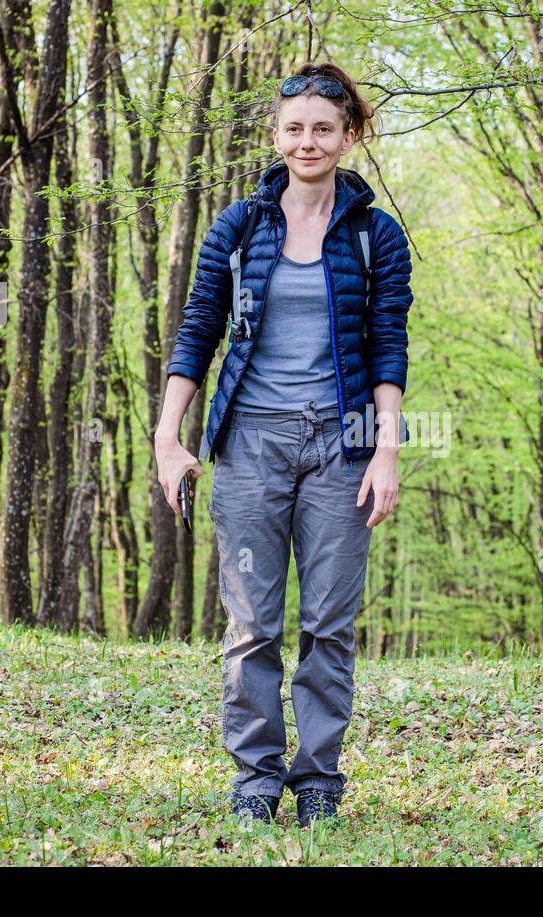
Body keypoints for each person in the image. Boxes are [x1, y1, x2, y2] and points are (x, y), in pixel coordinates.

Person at [153, 62, 414, 827]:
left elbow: (389, 345)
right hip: (250, 445)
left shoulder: (376, 234)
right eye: (295, 128)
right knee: (251, 625)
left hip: (343, 446)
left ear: (349, 135)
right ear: (276, 136)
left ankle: (320, 781)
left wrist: (388, 450)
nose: (309, 141)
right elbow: (198, 329)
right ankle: (255, 780)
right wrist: (170, 437)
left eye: (324, 129)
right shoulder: (239, 227)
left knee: (329, 623)